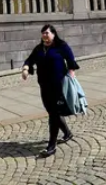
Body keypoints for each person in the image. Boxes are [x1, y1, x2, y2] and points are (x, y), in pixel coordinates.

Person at [22, 24, 79, 157]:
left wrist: (71, 73)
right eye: (43, 33)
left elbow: (71, 60)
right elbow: (30, 60)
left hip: (59, 85)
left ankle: (51, 146)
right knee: (51, 111)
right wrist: (25, 68)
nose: (44, 35)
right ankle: (67, 133)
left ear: (53, 34)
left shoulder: (61, 46)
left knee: (53, 114)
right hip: (44, 85)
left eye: (47, 33)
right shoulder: (39, 49)